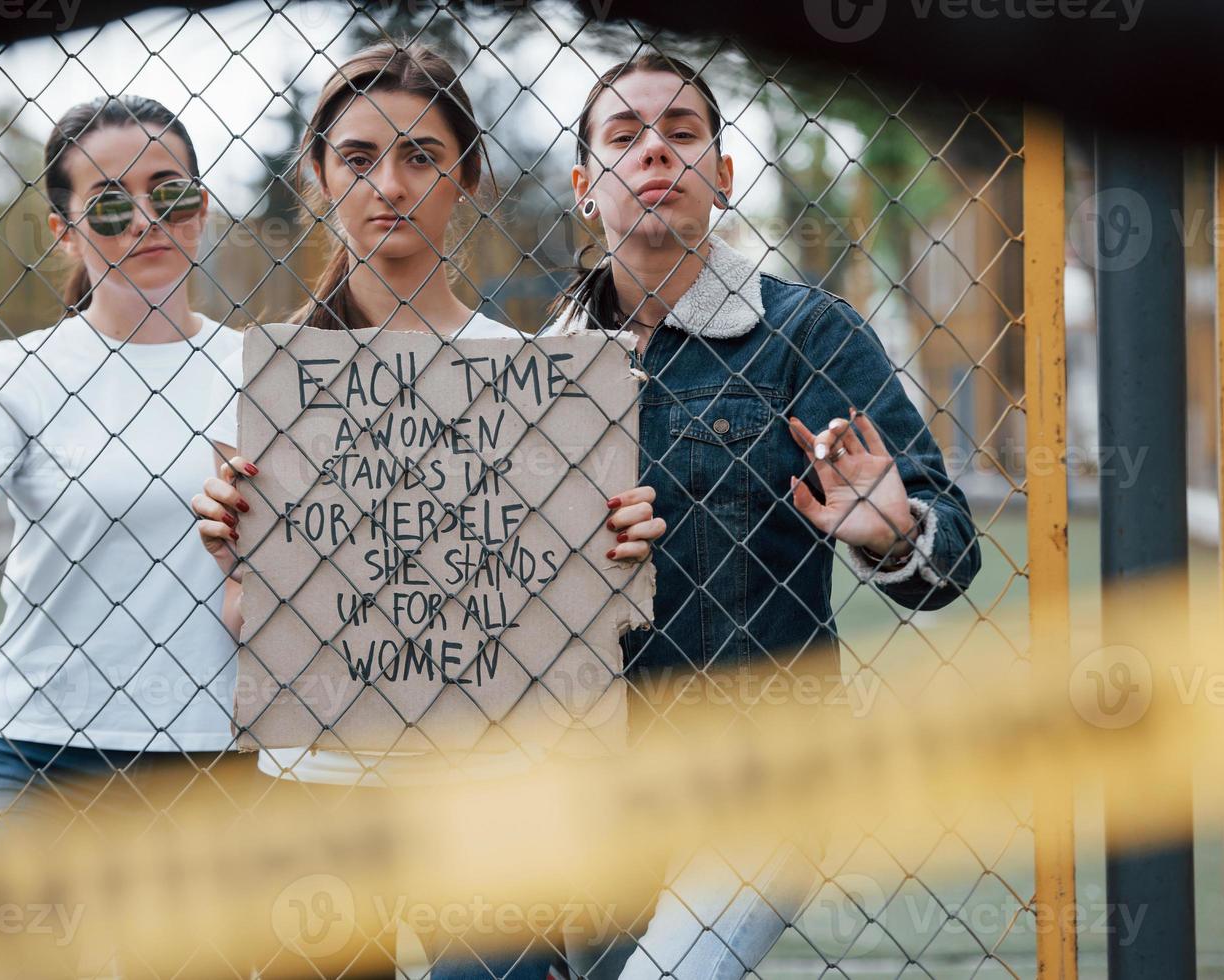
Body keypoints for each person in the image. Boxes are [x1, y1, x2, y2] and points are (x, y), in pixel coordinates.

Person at [189, 42, 665, 979]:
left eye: (420, 157)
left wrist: (617, 552)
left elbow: (572, 616)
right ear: (320, 178)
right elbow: (248, 622)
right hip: (320, 790)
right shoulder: (271, 375)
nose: (389, 185)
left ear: (465, 178)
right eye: (358, 158)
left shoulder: (534, 375)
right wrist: (233, 558)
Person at [532, 52, 984, 980]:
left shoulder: (808, 335)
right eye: (623, 138)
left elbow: (952, 553)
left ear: (723, 177)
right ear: (585, 186)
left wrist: (896, 534)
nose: (655, 151)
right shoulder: (532, 368)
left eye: (683, 134)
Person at [0, 95, 255, 867]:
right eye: (108, 206)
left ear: (200, 208)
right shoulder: (21, 371)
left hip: (214, 754)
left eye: (169, 192)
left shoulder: (261, 369)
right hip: (33, 753)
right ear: (64, 232)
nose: (145, 219)